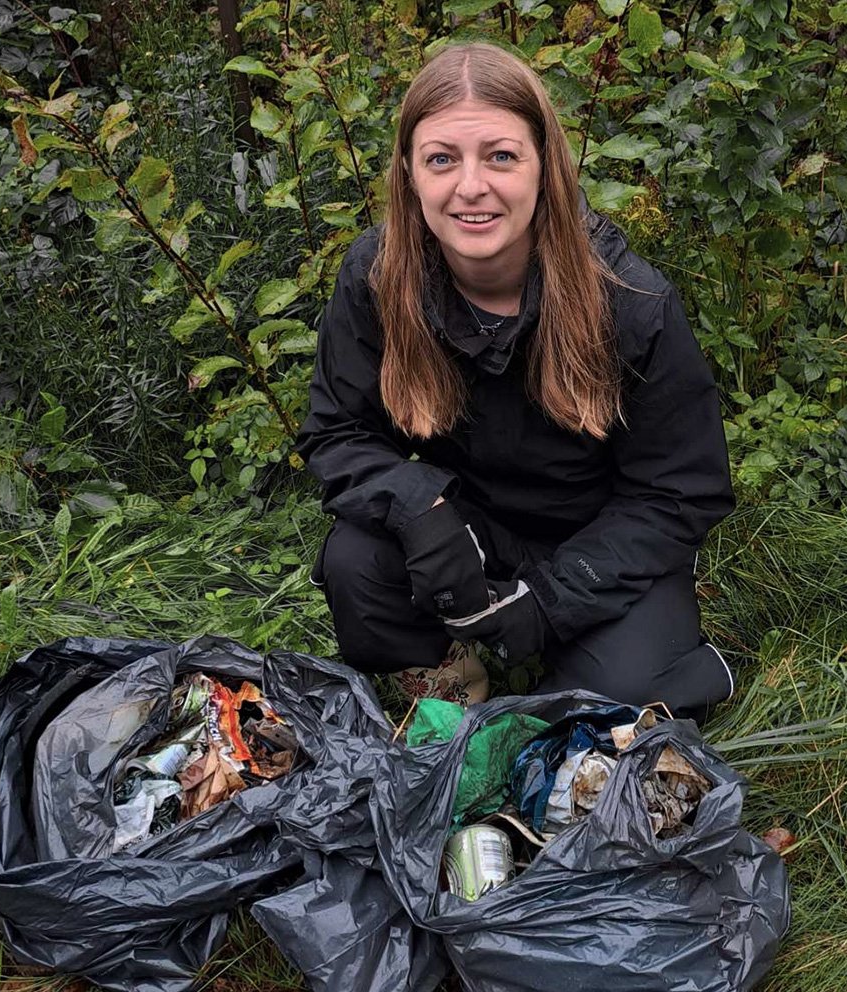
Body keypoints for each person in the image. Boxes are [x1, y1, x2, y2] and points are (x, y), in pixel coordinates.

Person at [295, 42, 736, 723]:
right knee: (357, 563)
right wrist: (418, 505)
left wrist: (551, 599)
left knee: (608, 703)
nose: (471, 187)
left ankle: (632, 658)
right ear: (409, 173)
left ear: (544, 166)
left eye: (501, 156)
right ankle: (453, 667)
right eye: (442, 159)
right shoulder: (377, 278)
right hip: (468, 527)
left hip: (600, 546)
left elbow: (679, 493)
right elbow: (337, 432)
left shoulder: (631, 301)